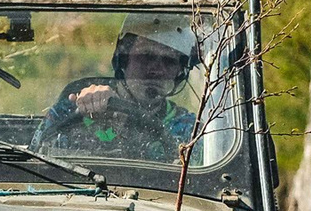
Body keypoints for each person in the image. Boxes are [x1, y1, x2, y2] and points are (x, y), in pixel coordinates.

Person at [39, 24, 203, 159]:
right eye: (146, 56)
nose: (157, 69)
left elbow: (198, 185)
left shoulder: (188, 129)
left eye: (169, 61)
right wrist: (88, 110)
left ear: (180, 73)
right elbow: (36, 170)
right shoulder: (66, 112)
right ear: (123, 60)